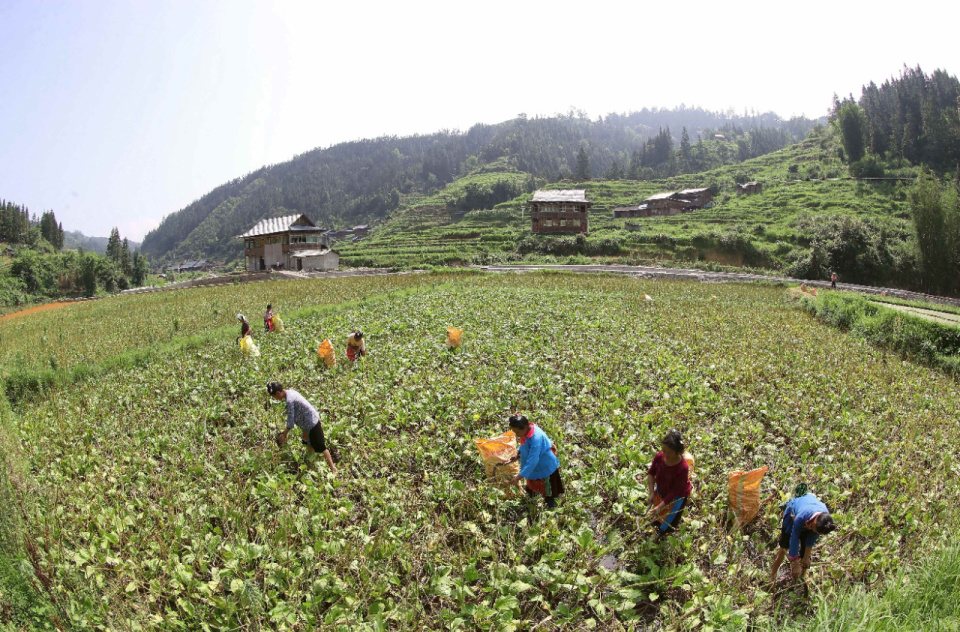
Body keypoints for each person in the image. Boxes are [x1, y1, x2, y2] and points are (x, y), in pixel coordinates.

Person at [267, 382, 337, 473]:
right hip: (307, 424)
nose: (275, 399)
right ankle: (311, 466)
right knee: (308, 444)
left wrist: (284, 435)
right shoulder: (290, 392)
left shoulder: (289, 400)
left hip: (312, 423)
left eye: (274, 397)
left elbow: (290, 420)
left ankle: (333, 468)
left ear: (278, 393)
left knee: (321, 446)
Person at [769, 489, 837, 582]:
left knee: (805, 558)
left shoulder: (824, 520)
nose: (815, 533)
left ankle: (800, 580)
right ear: (814, 522)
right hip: (792, 517)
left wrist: (806, 557)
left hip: (810, 522)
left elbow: (812, 538)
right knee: (783, 548)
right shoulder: (802, 515)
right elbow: (794, 537)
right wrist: (794, 561)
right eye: (814, 530)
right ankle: (772, 576)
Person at [505, 414, 564, 509]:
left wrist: (518, 478)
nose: (516, 434)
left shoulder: (536, 438)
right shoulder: (526, 431)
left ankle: (552, 510)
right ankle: (531, 505)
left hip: (545, 468)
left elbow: (532, 461)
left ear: (524, 427)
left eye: (516, 431)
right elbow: (523, 444)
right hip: (534, 468)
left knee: (549, 493)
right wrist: (518, 453)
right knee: (532, 490)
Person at [645, 430, 691, 534]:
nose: (664, 454)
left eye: (669, 452)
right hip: (662, 491)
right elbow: (651, 473)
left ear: (677, 452)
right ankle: (657, 525)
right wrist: (652, 492)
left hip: (676, 498)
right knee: (657, 516)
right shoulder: (660, 457)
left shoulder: (682, 468)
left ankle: (662, 535)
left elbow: (675, 492)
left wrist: (659, 506)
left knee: (668, 524)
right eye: (663, 450)